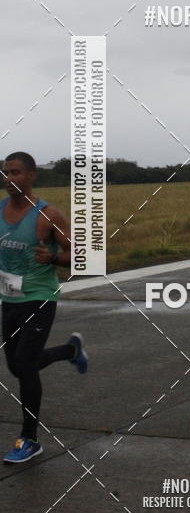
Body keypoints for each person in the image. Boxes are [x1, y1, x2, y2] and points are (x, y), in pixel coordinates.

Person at [0, 152, 87, 465]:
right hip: (9, 299)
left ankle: (30, 439)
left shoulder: (47, 215)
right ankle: (70, 352)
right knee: (16, 366)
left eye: (16, 172)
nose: (10, 179)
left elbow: (78, 255)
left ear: (32, 175)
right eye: (6, 173)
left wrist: (51, 258)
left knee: (24, 363)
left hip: (39, 297)